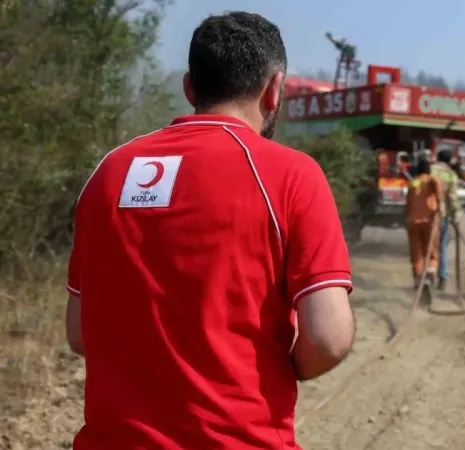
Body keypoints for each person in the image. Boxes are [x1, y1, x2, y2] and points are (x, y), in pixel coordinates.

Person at [64, 12, 355, 450]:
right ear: (274, 89)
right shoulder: (291, 175)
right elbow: (328, 338)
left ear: (189, 87)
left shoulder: (111, 172)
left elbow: (80, 332)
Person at [406, 159, 445, 291]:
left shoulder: (413, 183)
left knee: (417, 253)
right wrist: (440, 205)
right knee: (432, 252)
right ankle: (429, 275)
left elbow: (408, 204)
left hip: (413, 222)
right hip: (430, 222)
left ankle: (418, 279)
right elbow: (437, 184)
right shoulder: (432, 180)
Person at [430, 149, 461, 291]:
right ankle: (442, 275)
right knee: (441, 245)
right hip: (442, 215)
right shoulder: (451, 175)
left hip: (426, 214)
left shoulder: (429, 169)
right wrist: (456, 218)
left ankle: (426, 275)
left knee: (426, 246)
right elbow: (453, 198)